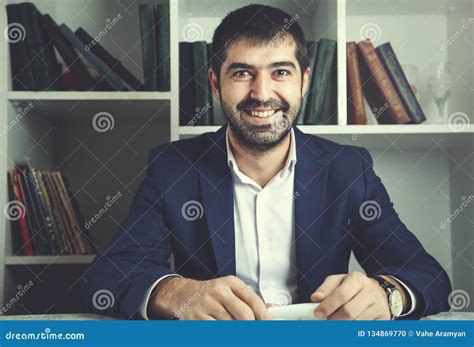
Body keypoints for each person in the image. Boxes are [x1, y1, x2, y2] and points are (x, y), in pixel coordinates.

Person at [82, 4, 451, 320]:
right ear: (215, 82)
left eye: (280, 72)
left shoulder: (348, 169)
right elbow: (109, 273)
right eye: (242, 72)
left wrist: (387, 295)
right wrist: (175, 292)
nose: (261, 94)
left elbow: (428, 275)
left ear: (304, 81)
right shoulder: (172, 167)